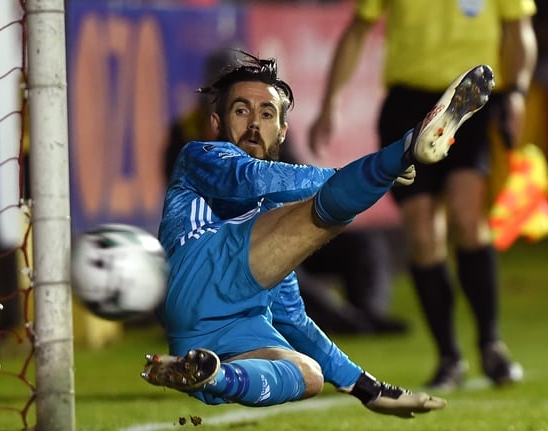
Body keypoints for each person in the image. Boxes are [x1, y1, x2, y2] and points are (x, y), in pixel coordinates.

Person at [142, 50, 493, 416]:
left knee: (307, 374)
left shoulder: (270, 226)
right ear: (216, 121)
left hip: (222, 335)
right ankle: (406, 147)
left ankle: (205, 375)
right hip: (195, 279)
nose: (253, 124)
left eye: (266, 114)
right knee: (323, 213)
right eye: (241, 111)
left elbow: (294, 321)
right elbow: (250, 179)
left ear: (282, 130)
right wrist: (378, 170)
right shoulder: (199, 156)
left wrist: (368, 389)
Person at [309, 1, 538, 391]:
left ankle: (490, 343)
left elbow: (519, 29)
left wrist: (516, 91)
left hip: (473, 101)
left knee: (467, 217)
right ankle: (449, 357)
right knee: (422, 232)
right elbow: (358, 30)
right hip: (408, 106)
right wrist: (331, 101)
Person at [165, 48, 408, 336]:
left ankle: (368, 314)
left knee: (361, 243)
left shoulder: (267, 125)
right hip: (228, 248)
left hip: (279, 224)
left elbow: (295, 178)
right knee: (281, 271)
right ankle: (344, 323)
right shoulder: (187, 136)